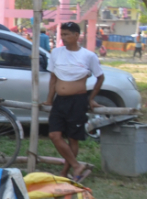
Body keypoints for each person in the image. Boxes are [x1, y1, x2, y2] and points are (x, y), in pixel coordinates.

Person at [44, 21, 103, 182]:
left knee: (72, 137)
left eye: (67, 34)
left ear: (77, 36)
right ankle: (76, 165)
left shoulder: (88, 56)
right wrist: (49, 99)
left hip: (77, 101)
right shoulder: (56, 53)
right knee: (54, 135)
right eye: (62, 34)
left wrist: (91, 99)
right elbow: (53, 78)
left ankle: (66, 171)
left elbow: (100, 77)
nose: (63, 37)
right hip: (59, 100)